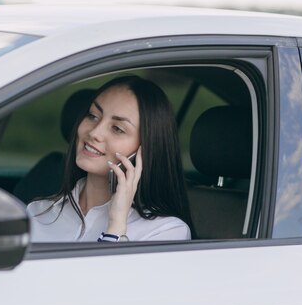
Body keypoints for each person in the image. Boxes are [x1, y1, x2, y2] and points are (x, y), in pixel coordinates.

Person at [27, 75, 193, 242]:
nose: (94, 133)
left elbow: (105, 270)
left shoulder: (165, 232)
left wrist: (116, 227)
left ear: (146, 149)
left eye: (117, 129)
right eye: (93, 116)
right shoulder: (38, 212)